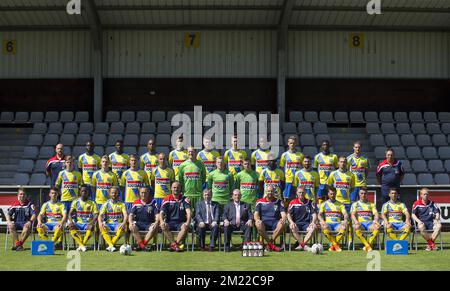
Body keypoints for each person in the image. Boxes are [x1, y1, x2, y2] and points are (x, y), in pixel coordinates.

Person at [160, 181, 192, 252]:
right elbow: (161, 212)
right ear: (171, 188)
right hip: (169, 222)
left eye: (178, 188)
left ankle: (174, 245)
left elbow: (189, 212)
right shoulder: (167, 199)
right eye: (174, 187)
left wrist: (187, 222)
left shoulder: (185, 199)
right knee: (163, 226)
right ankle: (175, 246)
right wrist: (162, 221)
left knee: (185, 226)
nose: (176, 189)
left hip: (180, 222)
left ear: (180, 189)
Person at [254, 185, 286, 252]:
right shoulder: (260, 201)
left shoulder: (279, 202)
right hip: (264, 223)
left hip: (275, 223)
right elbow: (256, 214)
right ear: (266, 191)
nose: (270, 192)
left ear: (274, 192)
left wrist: (283, 219)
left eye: (271, 191)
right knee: (258, 224)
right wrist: (257, 220)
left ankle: (269, 244)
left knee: (282, 224)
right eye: (268, 191)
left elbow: (283, 214)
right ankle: (272, 245)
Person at [68, 184, 99, 252]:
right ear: (79, 192)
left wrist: (91, 223)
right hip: (79, 223)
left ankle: (81, 244)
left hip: (87, 223)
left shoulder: (92, 203)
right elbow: (70, 214)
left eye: (85, 191)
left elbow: (96, 214)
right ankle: (82, 245)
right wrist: (71, 222)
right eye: (82, 191)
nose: (84, 192)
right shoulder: (75, 202)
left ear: (88, 192)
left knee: (91, 227)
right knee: (70, 226)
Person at [129, 187, 160, 251]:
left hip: (149, 223)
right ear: (140, 193)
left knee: (154, 227)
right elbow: (131, 215)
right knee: (131, 226)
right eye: (142, 193)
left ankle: (142, 245)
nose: (143, 194)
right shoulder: (136, 202)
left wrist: (156, 222)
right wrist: (130, 222)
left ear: (148, 193)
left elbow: (157, 215)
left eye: (145, 193)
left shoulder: (153, 202)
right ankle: (143, 246)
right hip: (138, 223)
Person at [98, 186, 128, 252]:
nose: (114, 194)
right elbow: (100, 215)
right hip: (109, 225)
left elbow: (125, 215)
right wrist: (100, 223)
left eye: (115, 193)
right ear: (109, 193)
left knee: (122, 227)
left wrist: (123, 223)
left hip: (118, 224)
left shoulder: (122, 204)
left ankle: (110, 245)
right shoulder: (106, 204)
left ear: (118, 193)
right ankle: (111, 245)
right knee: (102, 227)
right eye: (112, 193)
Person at [287, 186, 317, 251]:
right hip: (296, 224)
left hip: (307, 224)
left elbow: (314, 214)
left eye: (303, 192)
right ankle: (304, 246)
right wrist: (291, 222)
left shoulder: (310, 202)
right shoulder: (293, 202)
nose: (301, 194)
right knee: (292, 227)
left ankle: (302, 245)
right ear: (296, 193)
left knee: (313, 227)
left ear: (305, 193)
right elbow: (288, 214)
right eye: (299, 192)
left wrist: (313, 222)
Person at [318, 187, 348, 252]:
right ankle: (336, 245)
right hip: (328, 224)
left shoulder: (340, 204)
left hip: (337, 224)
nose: (332, 195)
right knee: (324, 226)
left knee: (344, 227)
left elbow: (345, 214)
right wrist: (323, 221)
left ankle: (333, 246)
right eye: (331, 194)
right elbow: (319, 215)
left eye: (334, 194)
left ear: (336, 194)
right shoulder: (324, 204)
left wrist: (345, 220)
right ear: (328, 194)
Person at [350, 187, 380, 252]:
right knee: (356, 226)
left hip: (369, 223)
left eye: (365, 193)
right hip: (361, 223)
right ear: (359, 194)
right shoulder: (355, 204)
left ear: (367, 194)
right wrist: (356, 222)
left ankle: (367, 245)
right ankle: (368, 245)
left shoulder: (371, 204)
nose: (363, 195)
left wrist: (375, 221)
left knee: (377, 226)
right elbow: (352, 215)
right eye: (361, 193)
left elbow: (376, 214)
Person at [178, 146, 206, 211]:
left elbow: (203, 177)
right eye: (189, 151)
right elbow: (180, 179)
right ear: (187, 153)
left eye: (192, 151)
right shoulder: (183, 165)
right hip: (187, 193)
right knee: (188, 214)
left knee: (198, 214)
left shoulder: (201, 164)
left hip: (198, 194)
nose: (191, 153)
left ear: (195, 153)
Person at [314, 140, 338, 204]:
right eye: (324, 145)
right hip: (321, 182)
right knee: (320, 199)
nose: (325, 146)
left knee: (330, 199)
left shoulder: (334, 157)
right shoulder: (317, 157)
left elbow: (337, 169)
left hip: (330, 183)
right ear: (321, 146)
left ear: (329, 146)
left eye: (327, 145)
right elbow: (314, 170)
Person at [280, 136, 303, 201]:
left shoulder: (300, 155)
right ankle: (286, 211)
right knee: (287, 199)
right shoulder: (284, 155)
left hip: (298, 180)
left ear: (296, 144)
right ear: (288, 143)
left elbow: (303, 167)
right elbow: (281, 168)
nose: (292, 144)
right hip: (288, 180)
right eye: (291, 143)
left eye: (294, 143)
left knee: (299, 198)